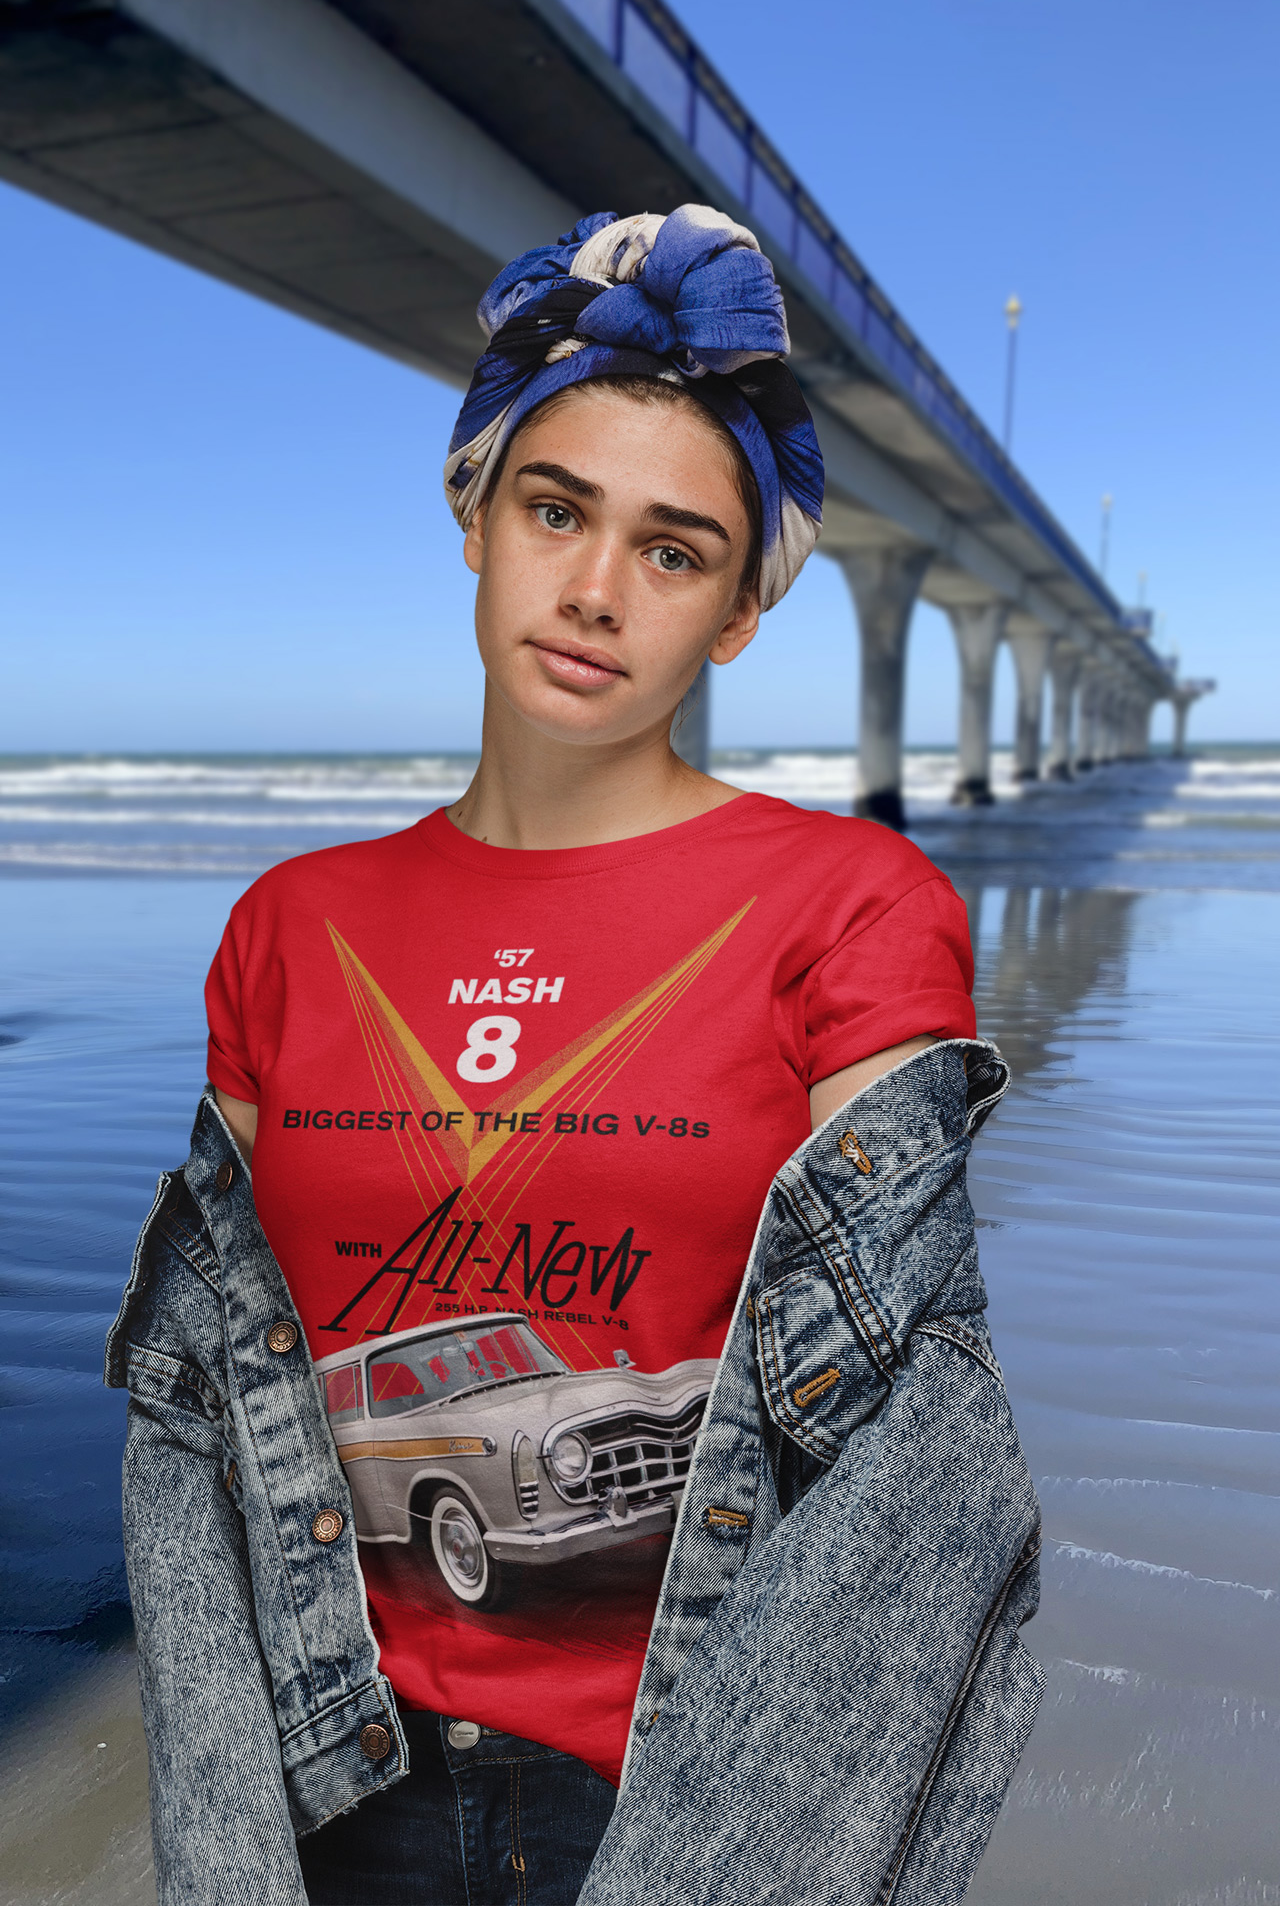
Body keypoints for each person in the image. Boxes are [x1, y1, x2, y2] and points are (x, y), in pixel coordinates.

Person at [108, 206, 1042, 1906]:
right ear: (476, 513)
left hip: (677, 1803)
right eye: (557, 511)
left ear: (739, 617)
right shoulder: (287, 925)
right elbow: (204, 1441)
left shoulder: (851, 905)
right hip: (325, 1780)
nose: (599, 591)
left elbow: (905, 1463)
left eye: (676, 553)